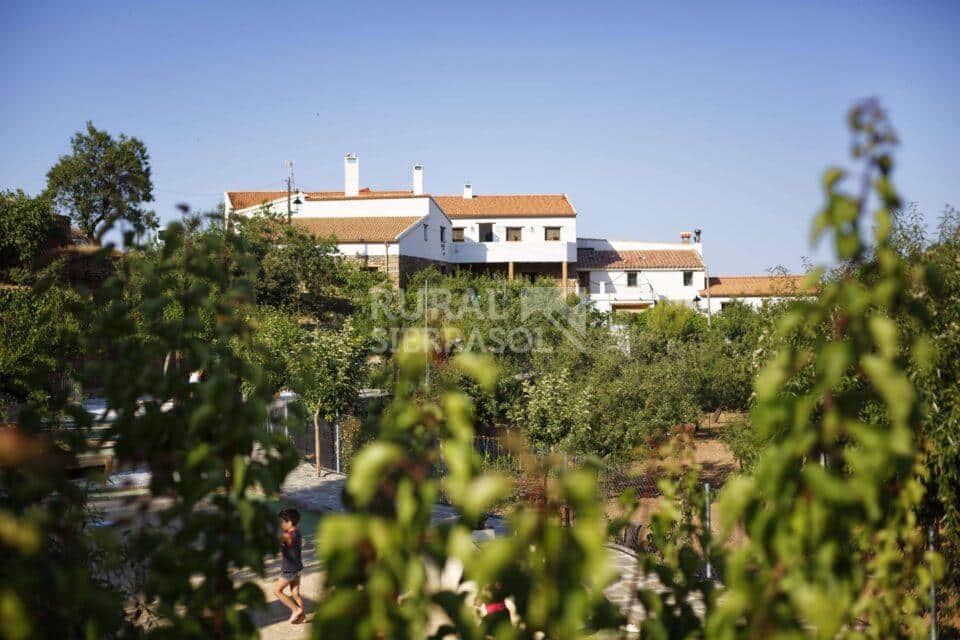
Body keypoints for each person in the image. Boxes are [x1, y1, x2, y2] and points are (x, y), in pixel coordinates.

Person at [274, 508, 304, 624]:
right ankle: (302, 617)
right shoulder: (297, 532)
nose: (280, 524)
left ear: (290, 522)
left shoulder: (288, 536)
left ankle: (295, 610)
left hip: (289, 570)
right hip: (297, 567)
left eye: (282, 522)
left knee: (277, 591)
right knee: (295, 594)